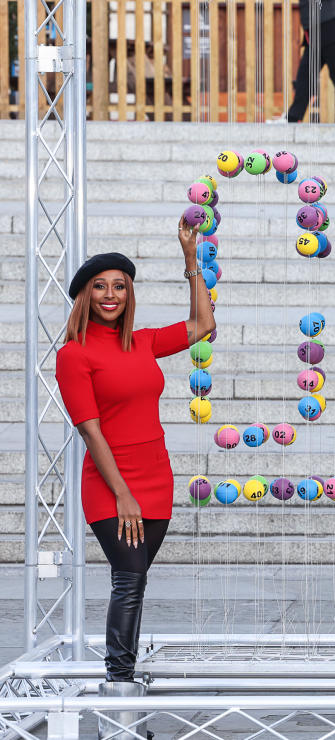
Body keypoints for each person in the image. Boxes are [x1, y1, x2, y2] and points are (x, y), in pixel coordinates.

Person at [54, 221, 215, 685]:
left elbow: (203, 324)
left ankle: (125, 680)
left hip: (156, 479)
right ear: (85, 295)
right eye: (100, 286)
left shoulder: (141, 341)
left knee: (136, 580)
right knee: (128, 579)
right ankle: (119, 683)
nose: (111, 294)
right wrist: (122, 494)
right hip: (112, 485)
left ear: (128, 294)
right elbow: (89, 430)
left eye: (119, 286)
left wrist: (190, 261)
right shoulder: (75, 354)